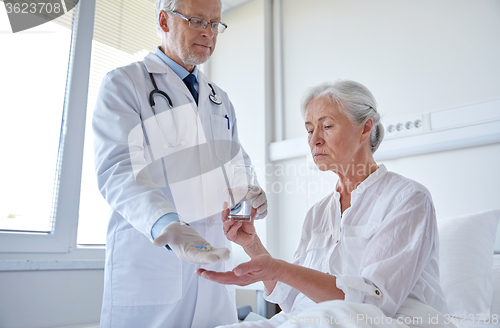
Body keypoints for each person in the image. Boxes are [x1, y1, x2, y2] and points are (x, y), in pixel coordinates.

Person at [197, 80, 455, 328]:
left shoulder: (407, 199)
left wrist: (278, 268)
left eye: (327, 126)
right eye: (310, 130)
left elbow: (373, 304)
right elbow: (292, 300)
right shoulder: (318, 213)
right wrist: (252, 245)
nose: (314, 140)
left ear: (365, 129)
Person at [92, 0, 268, 327]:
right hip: (152, 265)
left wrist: (247, 193)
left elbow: (235, 162)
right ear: (164, 20)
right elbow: (118, 170)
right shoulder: (125, 84)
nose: (209, 33)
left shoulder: (219, 98)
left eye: (216, 24)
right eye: (198, 21)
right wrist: (167, 226)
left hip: (215, 266)